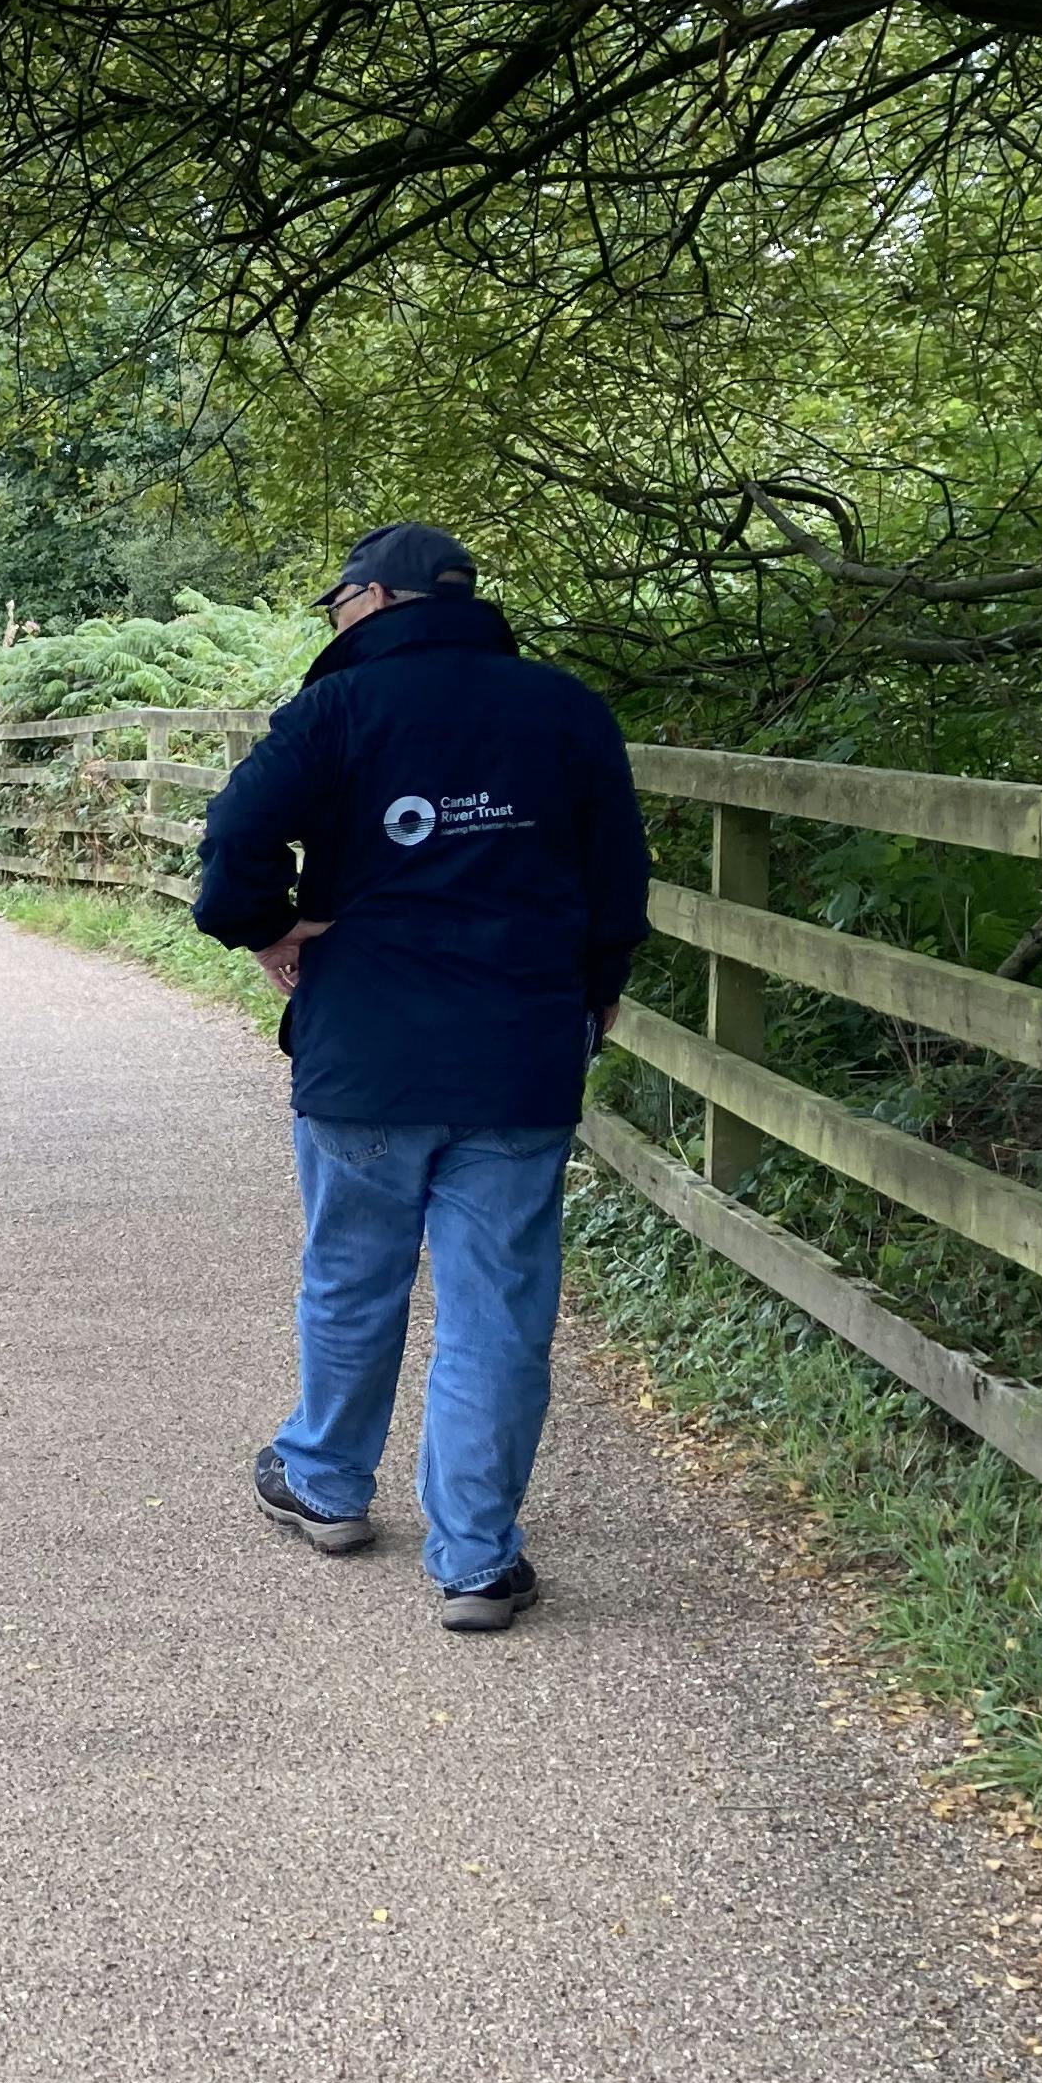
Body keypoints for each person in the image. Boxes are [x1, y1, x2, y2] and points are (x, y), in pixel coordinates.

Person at [190, 523, 649, 1632]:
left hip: (366, 1051)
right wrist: (594, 991)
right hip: (518, 1050)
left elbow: (231, 856)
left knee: (352, 1275)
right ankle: (477, 1561)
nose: (332, 622)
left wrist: (270, 929)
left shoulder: (333, 713)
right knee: (497, 1304)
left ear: (375, 599)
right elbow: (618, 878)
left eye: (334, 602)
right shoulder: (565, 709)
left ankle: (328, 1485)